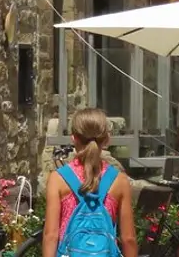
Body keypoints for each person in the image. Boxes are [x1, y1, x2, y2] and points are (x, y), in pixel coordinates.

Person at [43, 108, 138, 257]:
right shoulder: (119, 181)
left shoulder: (58, 179)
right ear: (107, 139)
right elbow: (128, 238)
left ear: (73, 138)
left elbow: (51, 235)